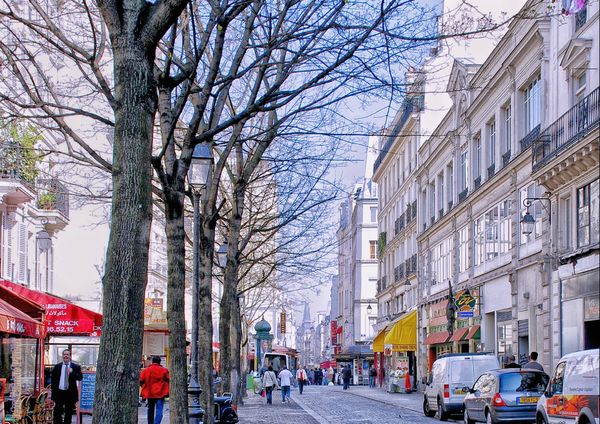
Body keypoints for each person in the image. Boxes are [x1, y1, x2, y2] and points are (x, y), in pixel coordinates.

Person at [50, 349, 83, 424]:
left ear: (70, 356)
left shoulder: (75, 367)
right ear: (62, 356)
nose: (66, 356)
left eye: (67, 354)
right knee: (57, 411)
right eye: (64, 354)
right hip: (59, 392)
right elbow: (53, 381)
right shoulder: (57, 367)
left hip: (70, 393)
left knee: (68, 413)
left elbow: (80, 377)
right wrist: (53, 395)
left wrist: (72, 372)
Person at [140, 356, 170, 424]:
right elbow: (169, 380)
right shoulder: (164, 370)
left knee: (150, 410)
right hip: (160, 393)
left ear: (152, 361)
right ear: (160, 362)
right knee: (159, 410)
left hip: (149, 393)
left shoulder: (146, 370)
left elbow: (141, 380)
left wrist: (144, 387)